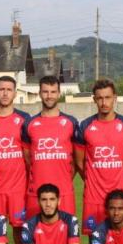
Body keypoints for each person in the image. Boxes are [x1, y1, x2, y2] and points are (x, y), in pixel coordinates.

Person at [75, 79, 123, 234]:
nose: (104, 102)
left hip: (121, 196)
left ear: (115, 98)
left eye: (108, 97)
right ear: (94, 100)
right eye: (100, 98)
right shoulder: (85, 126)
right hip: (94, 197)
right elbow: (79, 162)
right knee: (94, 243)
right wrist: (92, 181)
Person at [21, 75, 80, 218]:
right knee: (35, 235)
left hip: (64, 192)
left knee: (66, 234)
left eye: (53, 92)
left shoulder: (71, 122)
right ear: (40, 93)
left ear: (59, 94)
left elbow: (77, 160)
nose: (49, 96)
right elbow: (28, 159)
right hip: (36, 192)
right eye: (45, 92)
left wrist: (65, 178)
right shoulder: (29, 124)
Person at [0, 76, 30, 244]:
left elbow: (31, 156)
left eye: (9, 89)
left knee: (20, 234)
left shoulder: (25, 121)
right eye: (1, 89)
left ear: (15, 92)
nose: (5, 93)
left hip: (18, 189)